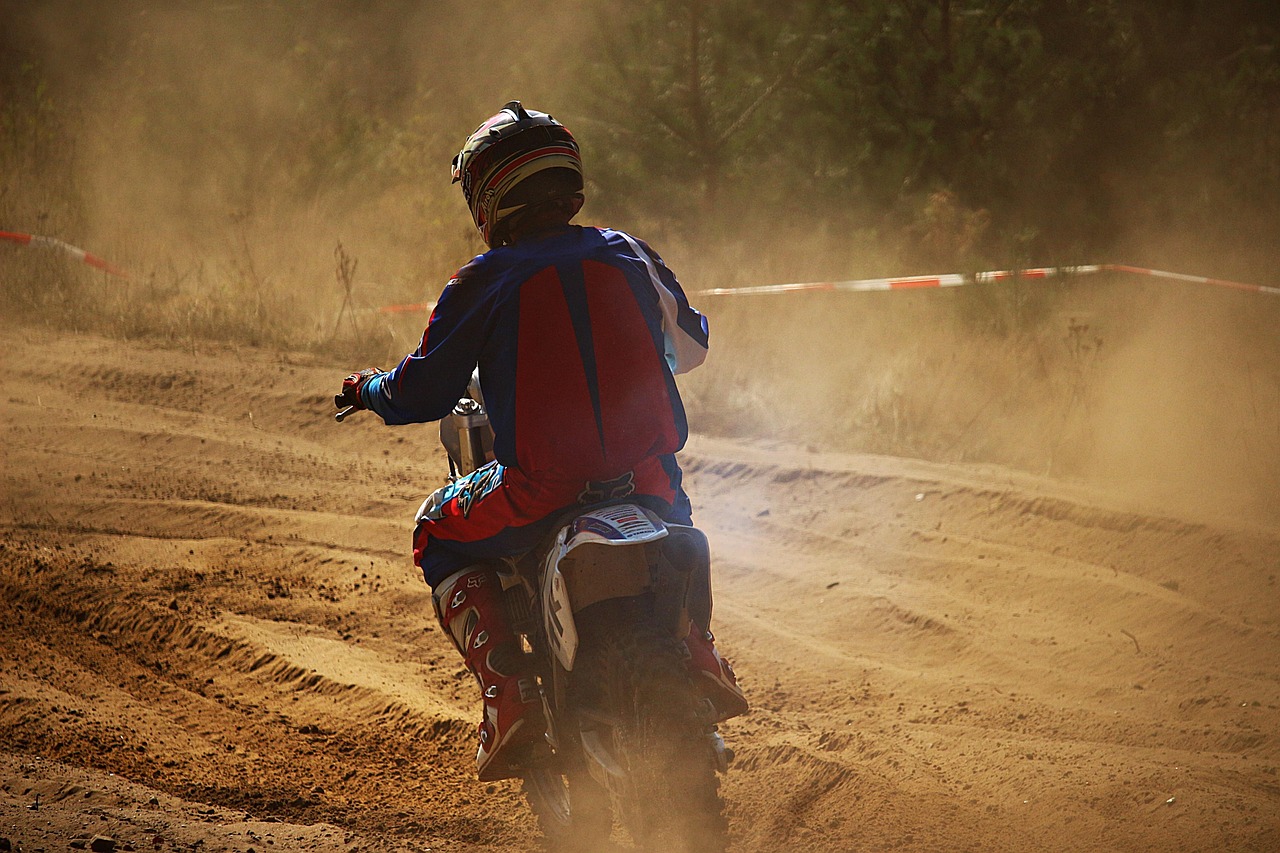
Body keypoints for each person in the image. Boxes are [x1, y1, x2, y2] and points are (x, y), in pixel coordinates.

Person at [335, 101, 746, 781]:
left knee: (434, 529)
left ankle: (511, 698)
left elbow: (423, 392)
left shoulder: (481, 281)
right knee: (679, 528)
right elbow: (693, 345)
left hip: (539, 489)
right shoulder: (629, 253)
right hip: (647, 480)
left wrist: (368, 388)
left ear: (489, 194)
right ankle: (696, 647)